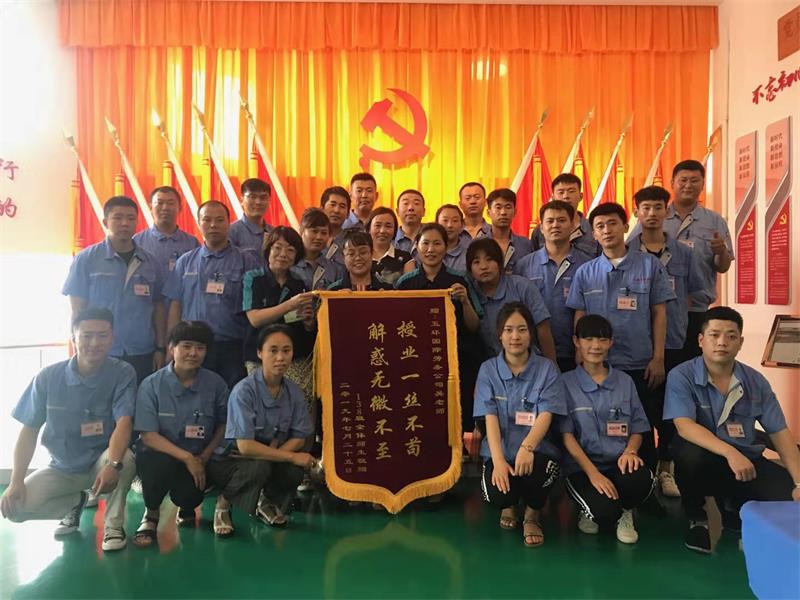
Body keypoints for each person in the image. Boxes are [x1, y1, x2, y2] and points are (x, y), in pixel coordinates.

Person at [664, 307, 800, 554]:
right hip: (706, 456)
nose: (722, 342)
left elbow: (779, 433)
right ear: (701, 340)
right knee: (688, 455)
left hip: (746, 458)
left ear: (740, 342)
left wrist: (799, 481)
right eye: (714, 335)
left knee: (787, 494)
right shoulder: (682, 376)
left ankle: (732, 505)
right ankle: (698, 518)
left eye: (731, 336)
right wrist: (730, 453)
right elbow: (684, 426)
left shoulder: (756, 381)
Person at [1, 307, 136, 552]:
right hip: (62, 468)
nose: (94, 343)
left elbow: (124, 422)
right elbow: (29, 430)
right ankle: (75, 502)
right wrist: (16, 481)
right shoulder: (47, 378)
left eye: (102, 335)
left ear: (112, 338)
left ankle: (113, 526)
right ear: (73, 337)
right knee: (15, 508)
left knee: (124, 459)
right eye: (86, 335)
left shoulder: (123, 373)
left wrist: (112, 464)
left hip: (100, 463)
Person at [566, 203, 675, 469]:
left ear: (626, 227)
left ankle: (647, 480)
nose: (607, 230)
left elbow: (659, 313)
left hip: (640, 363)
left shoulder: (649, 266)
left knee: (643, 426)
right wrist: (580, 353)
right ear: (593, 234)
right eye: (600, 226)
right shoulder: (585, 272)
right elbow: (579, 314)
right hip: (597, 365)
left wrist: (658, 358)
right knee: (598, 424)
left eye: (612, 223)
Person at [627, 185, 703, 497]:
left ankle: (667, 469)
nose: (652, 213)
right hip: (637, 345)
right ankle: (644, 471)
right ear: (636, 212)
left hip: (675, 343)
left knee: (674, 409)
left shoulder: (684, 253)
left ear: (666, 211)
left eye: (657, 207)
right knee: (643, 409)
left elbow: (694, 293)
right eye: (645, 208)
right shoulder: (627, 251)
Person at [474, 302, 566, 547]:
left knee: (539, 474)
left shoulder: (547, 369)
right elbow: (489, 417)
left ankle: (533, 514)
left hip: (537, 451)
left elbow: (546, 414)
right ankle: (510, 504)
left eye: (522, 329)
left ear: (531, 334)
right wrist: (498, 461)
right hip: (501, 450)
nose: (515, 336)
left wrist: (528, 447)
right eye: (508, 330)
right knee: (497, 493)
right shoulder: (488, 370)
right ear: (500, 335)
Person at [209, 324, 316, 528]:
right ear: (259, 353)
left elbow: (299, 437)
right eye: (273, 350)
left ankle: (266, 502)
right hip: (230, 461)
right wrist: (288, 456)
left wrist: (274, 455)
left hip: (264, 456)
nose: (280, 357)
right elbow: (245, 447)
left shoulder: (294, 392)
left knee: (293, 470)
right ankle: (224, 502)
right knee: (261, 467)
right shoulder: (244, 391)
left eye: (286, 350)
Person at [132, 321, 229, 546]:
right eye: (186, 346)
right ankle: (151, 514)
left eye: (200, 348)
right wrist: (186, 458)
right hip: (162, 455)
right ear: (171, 348)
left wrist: (203, 457)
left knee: (190, 496)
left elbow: (224, 425)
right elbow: (148, 435)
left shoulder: (215, 384)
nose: (193, 353)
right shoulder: (151, 385)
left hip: (199, 456)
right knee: (154, 464)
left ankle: (186, 507)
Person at [560, 314, 655, 544]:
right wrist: (593, 474)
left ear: (611, 343)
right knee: (603, 514)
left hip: (618, 463)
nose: (596, 346)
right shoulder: (564, 383)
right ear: (576, 341)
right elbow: (566, 436)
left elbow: (638, 427)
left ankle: (626, 511)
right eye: (588, 339)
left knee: (641, 479)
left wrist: (630, 451)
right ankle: (595, 509)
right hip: (582, 469)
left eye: (602, 340)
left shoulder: (625, 382)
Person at [629, 160, 734, 359]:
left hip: (695, 309)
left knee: (690, 366)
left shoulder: (714, 221)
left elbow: (723, 267)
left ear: (703, 184)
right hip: (651, 307)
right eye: (683, 180)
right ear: (672, 183)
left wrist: (721, 252)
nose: (688, 185)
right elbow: (631, 252)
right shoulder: (654, 214)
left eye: (694, 180)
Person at [63, 195, 166, 383]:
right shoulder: (86, 259)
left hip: (142, 350)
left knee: (139, 398)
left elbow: (158, 307)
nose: (125, 223)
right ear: (105, 222)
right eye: (118, 217)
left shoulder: (150, 262)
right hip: (99, 349)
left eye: (130, 218)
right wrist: (79, 346)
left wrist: (160, 347)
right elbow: (77, 309)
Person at [397, 223, 484, 438]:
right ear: (416, 247)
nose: (431, 249)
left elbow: (474, 326)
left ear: (446, 247)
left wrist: (465, 301)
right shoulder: (405, 283)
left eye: (437, 243)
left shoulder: (459, 280)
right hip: (416, 364)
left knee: (455, 415)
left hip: (455, 362)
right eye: (425, 243)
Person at [165, 201, 260, 388]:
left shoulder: (246, 261)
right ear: (199, 223)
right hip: (193, 346)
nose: (213, 225)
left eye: (219, 220)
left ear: (229, 223)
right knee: (194, 394)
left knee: (231, 396)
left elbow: (257, 306)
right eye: (207, 220)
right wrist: (171, 343)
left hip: (233, 347)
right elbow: (175, 304)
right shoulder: (185, 262)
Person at [514, 200, 592, 373]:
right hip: (533, 353)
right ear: (541, 228)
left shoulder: (587, 265)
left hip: (578, 353)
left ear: (572, 226)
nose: (555, 225)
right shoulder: (524, 266)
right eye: (550, 221)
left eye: (561, 220)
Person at [467, 238, 556, 363]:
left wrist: (552, 366)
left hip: (529, 363)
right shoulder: (470, 294)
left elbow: (543, 328)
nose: (484, 266)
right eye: (476, 262)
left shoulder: (522, 287)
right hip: (492, 367)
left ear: (500, 263)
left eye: (489, 259)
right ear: (470, 270)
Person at [133, 185, 199, 277]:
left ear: (180, 208)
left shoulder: (192, 243)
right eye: (160, 203)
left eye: (170, 203)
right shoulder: (137, 242)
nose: (165, 208)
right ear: (151, 208)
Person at [530, 173, 600, 257]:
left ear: (581, 196)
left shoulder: (594, 228)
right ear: (553, 198)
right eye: (561, 192)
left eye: (571, 191)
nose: (566, 196)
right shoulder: (541, 231)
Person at [291, 208, 345, 291]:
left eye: (324, 233)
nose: (319, 237)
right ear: (301, 231)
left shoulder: (336, 269)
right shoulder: (290, 265)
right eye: (314, 231)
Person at [485, 188, 533, 273]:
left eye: (508, 207)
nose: (503, 212)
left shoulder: (526, 245)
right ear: (488, 213)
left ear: (515, 212)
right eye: (498, 207)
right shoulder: (478, 244)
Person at [329, 230, 394, 291]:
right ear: (343, 258)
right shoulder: (333, 291)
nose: (358, 258)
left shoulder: (387, 290)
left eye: (363, 252)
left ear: (372, 253)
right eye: (351, 254)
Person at [367, 207, 413, 286]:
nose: (382, 231)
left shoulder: (405, 259)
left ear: (395, 230)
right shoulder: (361, 257)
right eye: (377, 225)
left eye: (388, 226)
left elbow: (410, 289)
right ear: (369, 229)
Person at [229, 178, 272, 259]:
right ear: (241, 200)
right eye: (252, 197)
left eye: (263, 197)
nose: (258, 202)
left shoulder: (273, 232)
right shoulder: (231, 232)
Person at [320, 185, 352, 266]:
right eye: (333, 205)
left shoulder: (352, 241)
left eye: (342, 206)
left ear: (348, 214)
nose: (337, 210)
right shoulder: (311, 239)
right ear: (322, 209)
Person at [436, 203, 469, 274]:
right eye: (445, 220)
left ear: (462, 226)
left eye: (455, 221)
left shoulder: (468, 255)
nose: (450, 225)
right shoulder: (428, 252)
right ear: (436, 224)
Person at [394, 189, 425, 253]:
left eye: (416, 204)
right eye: (405, 203)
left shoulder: (433, 237)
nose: (410, 208)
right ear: (397, 211)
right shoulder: (390, 238)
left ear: (423, 211)